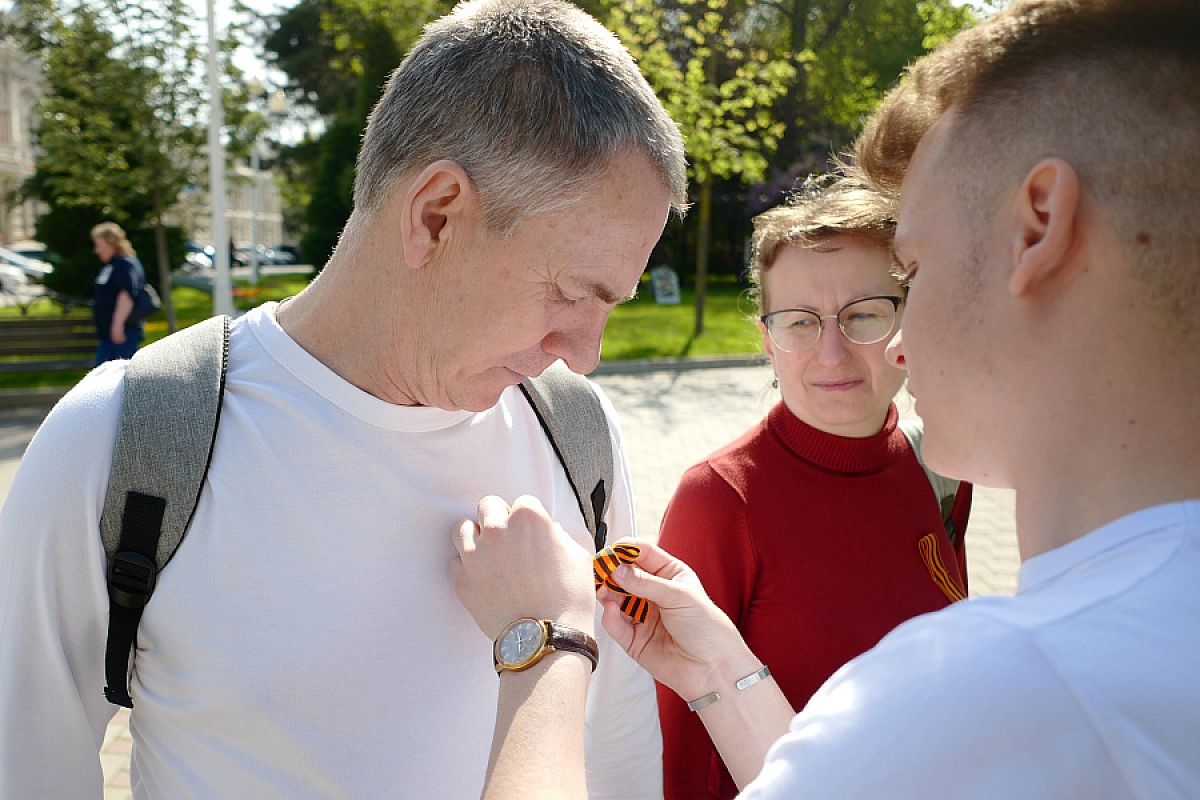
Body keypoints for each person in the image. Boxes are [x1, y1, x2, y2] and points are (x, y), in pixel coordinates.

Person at [451, 0, 1200, 796]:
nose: (896, 345)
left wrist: (547, 640)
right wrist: (721, 666)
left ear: (1039, 226)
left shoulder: (999, 693)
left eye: (917, 268)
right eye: (802, 321)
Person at [0, 1, 687, 796]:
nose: (588, 356)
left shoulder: (578, 433)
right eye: (572, 293)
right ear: (436, 216)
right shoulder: (126, 436)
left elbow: (618, 751)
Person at [656, 177, 971, 799]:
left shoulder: (940, 469)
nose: (832, 353)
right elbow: (684, 744)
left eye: (864, 315)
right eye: (801, 322)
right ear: (766, 337)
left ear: (909, 323)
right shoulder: (719, 499)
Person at [91, 221, 147, 364]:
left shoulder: (124, 264)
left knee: (116, 378)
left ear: (111, 243)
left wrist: (118, 325)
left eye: (98, 245)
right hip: (109, 334)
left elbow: (126, 295)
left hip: (121, 333)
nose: (96, 251)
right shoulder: (112, 264)